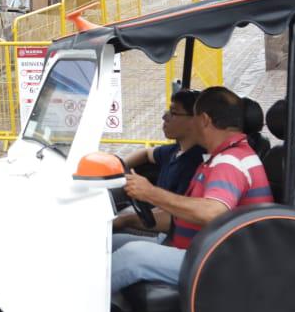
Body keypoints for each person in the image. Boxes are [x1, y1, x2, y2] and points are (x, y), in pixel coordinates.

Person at [110, 87, 274, 295]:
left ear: (204, 120)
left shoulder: (230, 161)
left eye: (194, 117)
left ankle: (77, 311)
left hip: (219, 261)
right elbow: (183, 217)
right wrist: (130, 217)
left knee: (133, 255)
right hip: (200, 249)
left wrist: (149, 193)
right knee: (111, 243)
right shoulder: (221, 157)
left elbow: (211, 212)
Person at [112, 90, 204, 232]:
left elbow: (172, 219)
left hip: (165, 232)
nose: (164, 117)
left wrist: (125, 221)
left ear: (195, 120)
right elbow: (146, 153)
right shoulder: (174, 151)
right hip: (152, 215)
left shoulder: (196, 164)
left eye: (173, 113)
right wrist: (116, 167)